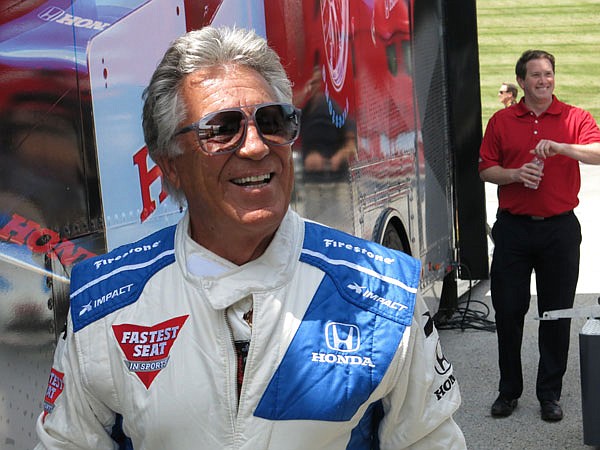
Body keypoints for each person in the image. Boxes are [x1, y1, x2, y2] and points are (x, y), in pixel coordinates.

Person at [35, 26, 466, 449]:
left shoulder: (382, 289)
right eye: (222, 129)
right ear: (169, 165)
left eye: (272, 121)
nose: (257, 147)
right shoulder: (105, 301)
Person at [479, 49, 600, 422]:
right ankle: (508, 391)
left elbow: (597, 152)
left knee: (556, 314)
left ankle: (550, 394)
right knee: (509, 311)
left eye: (548, 74)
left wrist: (563, 147)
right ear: (521, 81)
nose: (543, 80)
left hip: (560, 230)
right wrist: (515, 175)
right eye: (535, 75)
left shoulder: (574, 117)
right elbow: (486, 169)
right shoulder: (501, 120)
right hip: (513, 230)